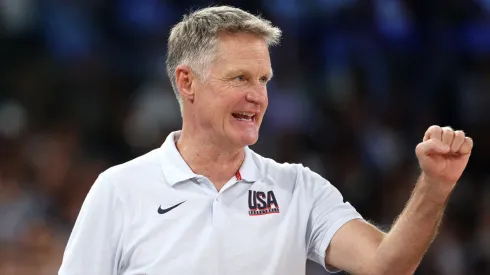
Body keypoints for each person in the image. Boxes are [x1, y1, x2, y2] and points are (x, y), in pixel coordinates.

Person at [58, 5, 474, 275]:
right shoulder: (119, 190)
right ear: (187, 82)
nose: (257, 95)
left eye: (263, 79)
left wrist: (434, 188)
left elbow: (387, 266)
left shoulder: (299, 189)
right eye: (240, 77)